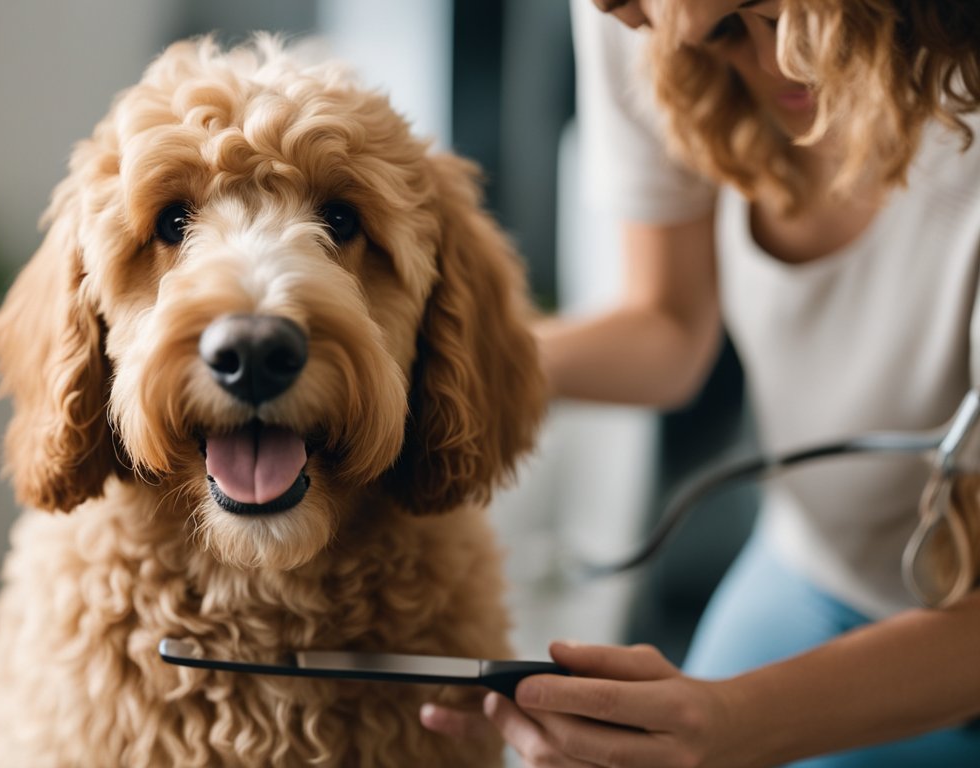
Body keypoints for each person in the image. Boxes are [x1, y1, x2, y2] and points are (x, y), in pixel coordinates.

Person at [420, 0, 980, 765]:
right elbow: (669, 326)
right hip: (813, 562)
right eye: (720, 35)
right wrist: (437, 376)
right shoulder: (645, 22)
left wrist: (732, 719)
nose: (781, 65)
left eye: (783, 14)